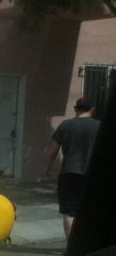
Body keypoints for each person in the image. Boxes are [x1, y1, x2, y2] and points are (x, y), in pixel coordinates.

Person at [46, 97, 100, 239]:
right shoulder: (99, 126)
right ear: (92, 109)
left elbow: (52, 151)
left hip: (69, 173)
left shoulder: (66, 125)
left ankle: (70, 246)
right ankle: (87, 242)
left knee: (70, 212)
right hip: (92, 175)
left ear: (75, 109)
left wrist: (49, 168)